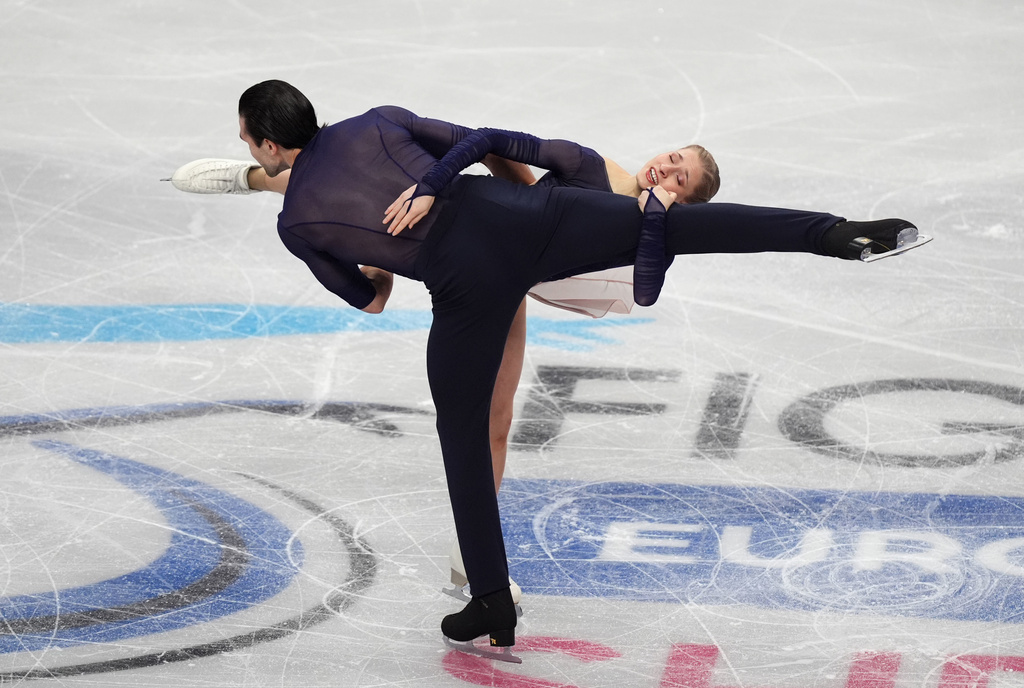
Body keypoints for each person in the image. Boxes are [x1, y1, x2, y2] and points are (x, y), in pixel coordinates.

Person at [174, 79, 926, 662]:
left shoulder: (298, 225)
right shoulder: (378, 117)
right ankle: (837, 234)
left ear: (260, 139)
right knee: (686, 229)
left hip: (465, 288)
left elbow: (370, 299)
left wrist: (373, 245)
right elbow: (476, 138)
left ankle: (492, 602)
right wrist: (448, 185)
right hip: (524, 218)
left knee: (462, 440)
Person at [170, 139, 723, 608]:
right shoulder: (593, 168)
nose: (668, 170)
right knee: (370, 199)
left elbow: (631, 287)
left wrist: (656, 217)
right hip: (482, 233)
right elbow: (507, 154)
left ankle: (469, 560)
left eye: (682, 179)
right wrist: (519, 201)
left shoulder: (656, 231)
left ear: (687, 203)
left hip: (514, 281)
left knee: (498, 421)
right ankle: (254, 176)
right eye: (674, 157)